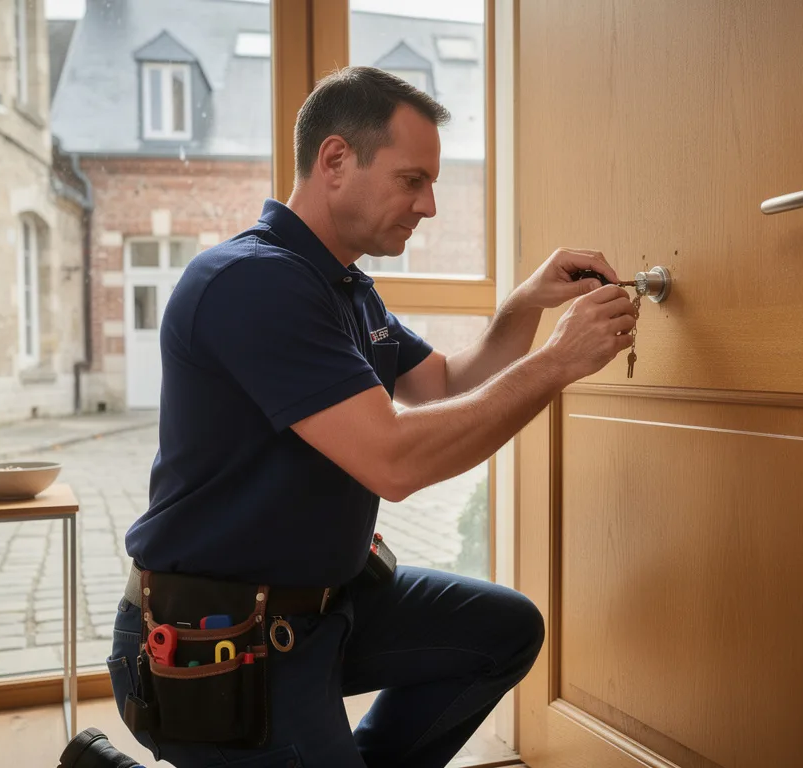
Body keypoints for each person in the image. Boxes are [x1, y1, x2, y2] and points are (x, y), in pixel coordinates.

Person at [104, 66, 637, 768]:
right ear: (335, 160)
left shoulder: (343, 286)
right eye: (413, 180)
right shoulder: (254, 283)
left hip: (328, 611)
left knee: (502, 631)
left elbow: (441, 385)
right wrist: (558, 363)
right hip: (223, 638)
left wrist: (524, 308)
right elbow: (394, 461)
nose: (431, 206)